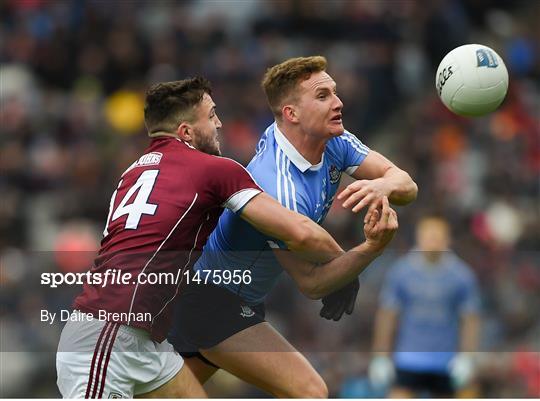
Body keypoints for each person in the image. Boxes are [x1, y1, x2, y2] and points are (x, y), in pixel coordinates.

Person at [55, 77, 370, 398]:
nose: (219, 123)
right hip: (108, 335)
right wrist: (347, 264)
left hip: (144, 341)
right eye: (211, 115)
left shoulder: (132, 172)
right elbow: (299, 232)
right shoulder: (214, 169)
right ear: (186, 132)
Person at [170, 56, 417, 397]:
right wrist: (370, 249)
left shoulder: (335, 141)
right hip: (212, 298)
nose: (338, 102)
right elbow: (313, 282)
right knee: (310, 391)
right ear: (292, 114)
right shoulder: (277, 186)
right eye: (323, 96)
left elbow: (407, 184)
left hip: (232, 296)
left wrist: (382, 186)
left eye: (334, 92)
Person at [369, 215, 481, 398]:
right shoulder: (401, 272)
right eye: (429, 236)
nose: (433, 242)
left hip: (446, 361)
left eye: (437, 237)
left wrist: (468, 357)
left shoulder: (462, 276)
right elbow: (387, 315)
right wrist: (380, 356)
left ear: (447, 239)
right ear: (419, 238)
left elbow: (470, 319)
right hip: (408, 359)